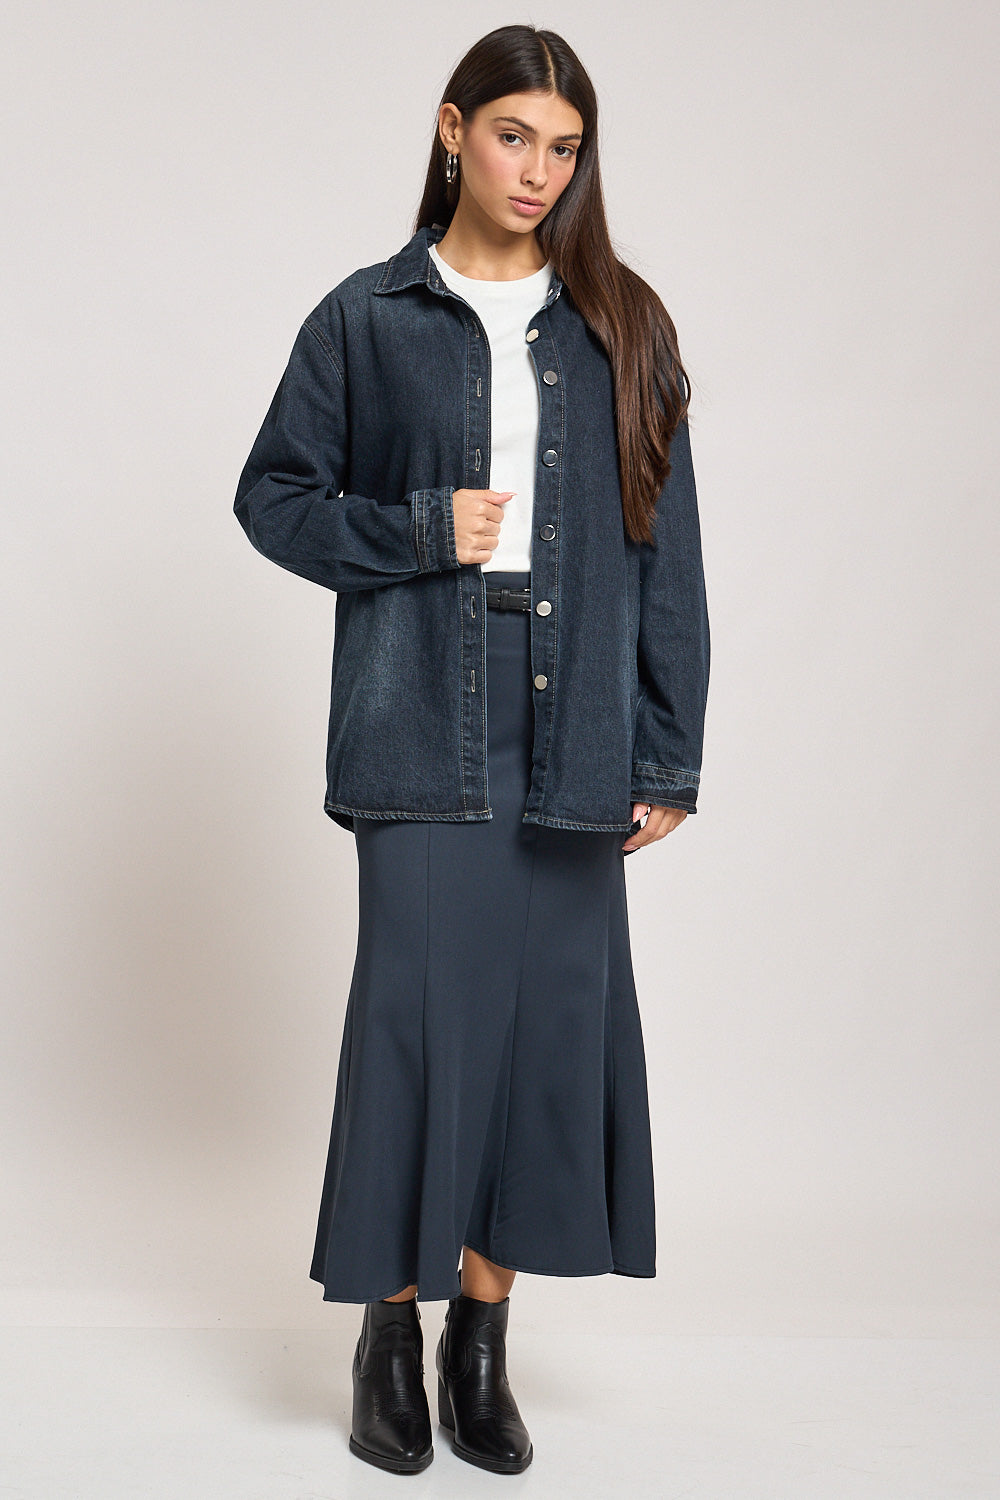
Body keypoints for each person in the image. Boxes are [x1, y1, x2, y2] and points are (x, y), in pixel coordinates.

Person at [233, 22, 710, 1478]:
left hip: (576, 722)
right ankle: (388, 1329)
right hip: (419, 705)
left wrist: (667, 752)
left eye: (565, 148)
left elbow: (667, 551)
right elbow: (273, 499)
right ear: (453, 131)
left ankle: (481, 1341)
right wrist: (419, 530)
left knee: (546, 1032)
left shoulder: (622, 325)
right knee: (413, 1023)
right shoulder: (366, 318)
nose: (539, 171)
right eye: (514, 136)